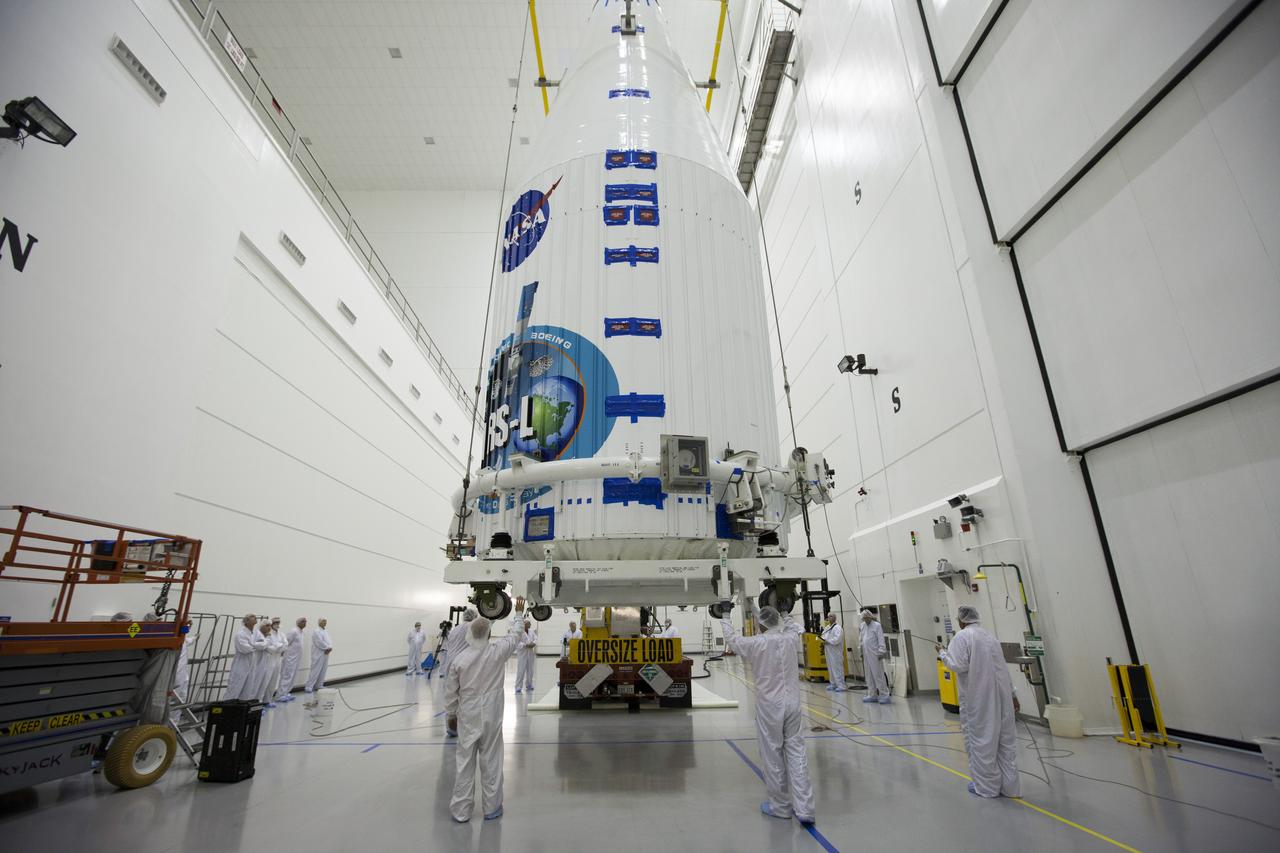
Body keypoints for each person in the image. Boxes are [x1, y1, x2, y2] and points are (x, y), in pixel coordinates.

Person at [720, 603, 816, 825]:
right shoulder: (790, 638)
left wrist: (725, 614)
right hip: (793, 704)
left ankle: (780, 807)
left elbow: (732, 641)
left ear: (760, 624)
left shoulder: (756, 643)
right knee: (797, 753)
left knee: (772, 755)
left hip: (770, 707)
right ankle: (805, 809)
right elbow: (793, 626)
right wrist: (785, 611)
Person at [444, 596, 528, 822]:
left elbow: (451, 693)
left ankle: (461, 811)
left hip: (468, 714)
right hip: (492, 713)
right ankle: (492, 808)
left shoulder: (460, 660)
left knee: (465, 762)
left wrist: (451, 714)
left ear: (470, 634)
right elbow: (515, 636)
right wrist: (518, 614)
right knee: (491, 759)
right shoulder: (497, 652)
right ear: (489, 635)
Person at [937, 605, 1021, 798]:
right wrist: (1013, 695)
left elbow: (957, 665)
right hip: (1003, 696)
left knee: (982, 741)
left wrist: (942, 653)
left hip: (980, 697)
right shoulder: (989, 636)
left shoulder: (962, 637)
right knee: (1005, 743)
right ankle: (1011, 788)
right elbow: (1003, 669)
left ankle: (987, 787)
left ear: (961, 620)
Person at [224, 614, 265, 700]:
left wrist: (252, 644)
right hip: (241, 665)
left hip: (252, 665)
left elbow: (264, 644)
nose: (255, 618)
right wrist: (256, 645)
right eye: (252, 617)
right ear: (246, 621)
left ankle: (242, 707)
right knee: (234, 689)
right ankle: (227, 707)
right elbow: (245, 649)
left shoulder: (256, 633)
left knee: (248, 690)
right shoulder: (240, 634)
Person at [859, 609, 890, 704]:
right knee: (869, 675)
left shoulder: (877, 625)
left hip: (875, 654)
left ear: (870, 617)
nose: (865, 620)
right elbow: (861, 639)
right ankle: (872, 694)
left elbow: (881, 639)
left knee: (878, 675)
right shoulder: (862, 626)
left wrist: (881, 652)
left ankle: (884, 695)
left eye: (867, 618)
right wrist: (861, 651)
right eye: (864, 618)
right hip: (866, 654)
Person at [276, 617, 306, 702]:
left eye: (305, 621)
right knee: (287, 675)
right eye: (303, 621)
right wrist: (283, 652)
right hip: (290, 658)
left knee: (293, 676)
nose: (305, 623)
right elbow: (286, 642)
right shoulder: (294, 631)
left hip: (296, 658)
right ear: (298, 622)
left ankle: (286, 693)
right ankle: (280, 695)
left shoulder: (301, 632)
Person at [440, 609, 475, 681]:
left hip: (450, 661)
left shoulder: (455, 629)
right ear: (474, 616)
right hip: (462, 663)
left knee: (450, 685)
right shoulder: (472, 626)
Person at [260, 618, 286, 706]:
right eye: (275, 623)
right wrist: (278, 647)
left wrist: (278, 647)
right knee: (266, 680)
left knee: (273, 680)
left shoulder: (281, 634)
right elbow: (268, 648)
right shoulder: (268, 634)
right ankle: (259, 702)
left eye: (278, 622)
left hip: (277, 659)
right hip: (269, 659)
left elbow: (285, 644)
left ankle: (268, 700)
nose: (277, 624)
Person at [246, 618, 272, 703]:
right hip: (256, 664)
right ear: (262, 626)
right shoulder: (257, 634)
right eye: (267, 625)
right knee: (254, 684)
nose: (269, 628)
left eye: (270, 626)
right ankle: (251, 703)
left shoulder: (268, 635)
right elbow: (260, 646)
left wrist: (266, 643)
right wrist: (267, 642)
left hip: (265, 664)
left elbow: (271, 648)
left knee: (263, 684)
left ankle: (258, 703)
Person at [305, 617, 333, 695]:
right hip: (318, 654)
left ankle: (319, 685)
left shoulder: (326, 631)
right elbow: (319, 642)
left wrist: (330, 648)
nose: (324, 623)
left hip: (326, 653)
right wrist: (327, 648)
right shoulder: (316, 631)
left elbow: (329, 641)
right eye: (323, 621)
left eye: (325, 621)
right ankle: (309, 686)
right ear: (319, 622)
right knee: (315, 670)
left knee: (323, 669)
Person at [820, 613, 846, 692]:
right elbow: (823, 635)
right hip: (828, 651)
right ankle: (833, 683)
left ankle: (841, 685)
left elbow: (837, 639)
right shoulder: (827, 627)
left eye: (831, 616)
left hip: (835, 652)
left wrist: (828, 641)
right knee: (830, 668)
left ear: (835, 618)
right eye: (828, 617)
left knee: (837, 668)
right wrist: (822, 640)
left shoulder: (838, 628)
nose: (829, 618)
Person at [514, 618, 537, 694]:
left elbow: (535, 638)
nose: (530, 624)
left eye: (530, 623)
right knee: (521, 670)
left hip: (530, 653)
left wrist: (533, 643)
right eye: (528, 623)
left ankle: (529, 684)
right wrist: (526, 645)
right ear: (524, 624)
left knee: (530, 670)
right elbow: (517, 642)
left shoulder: (531, 631)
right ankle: (518, 686)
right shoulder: (520, 632)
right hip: (522, 654)